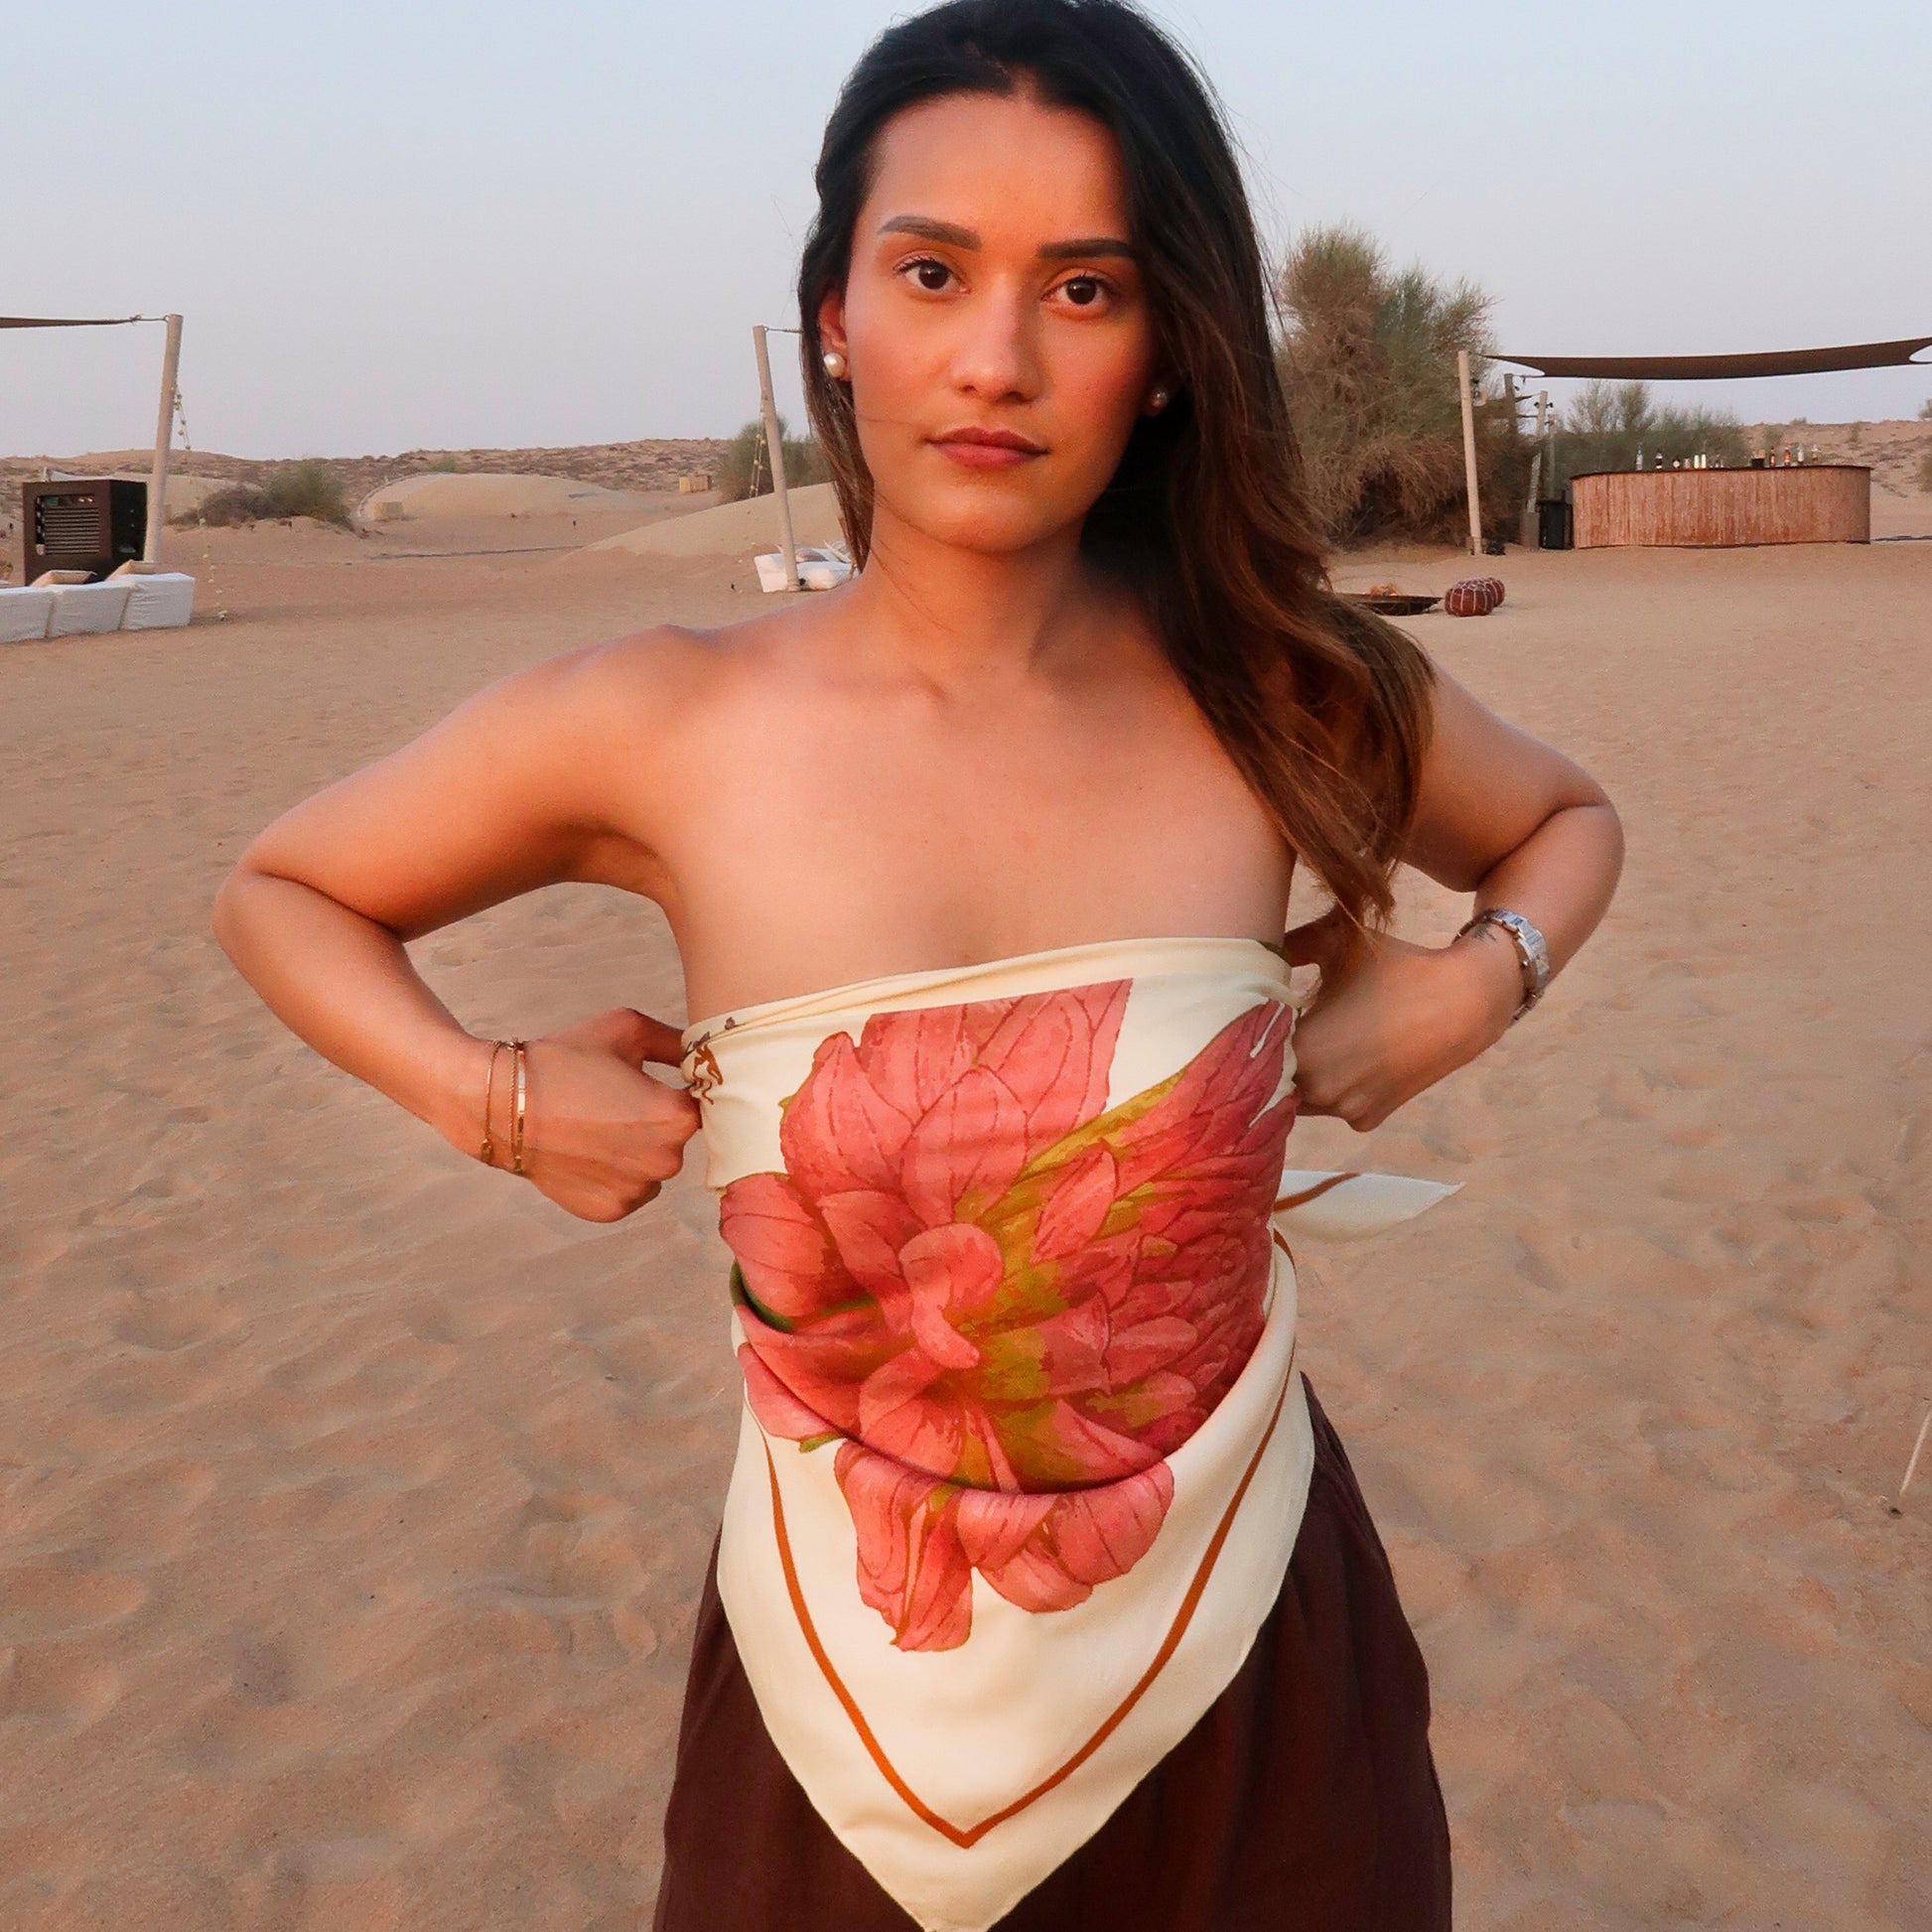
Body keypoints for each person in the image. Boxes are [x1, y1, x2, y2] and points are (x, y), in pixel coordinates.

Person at [213, 2, 1622, 1925]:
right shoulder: (664, 720)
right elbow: (284, 891)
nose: (995, 356)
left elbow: (1566, 824)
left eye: (1087, 287)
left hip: (1254, 1681)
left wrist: (1476, 982)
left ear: (1166, 358)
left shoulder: (1272, 680)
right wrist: (496, 1100)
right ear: (831, 317)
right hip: (828, 1725)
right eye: (933, 269)